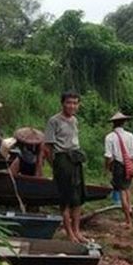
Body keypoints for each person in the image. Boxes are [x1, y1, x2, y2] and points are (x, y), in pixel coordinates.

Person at [44, 90, 88, 243]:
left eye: (75, 103)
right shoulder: (54, 121)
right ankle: (69, 232)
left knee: (78, 197)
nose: (72, 106)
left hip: (75, 159)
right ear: (62, 103)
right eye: (69, 102)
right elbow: (47, 147)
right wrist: (55, 165)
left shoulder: (75, 120)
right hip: (62, 159)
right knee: (66, 198)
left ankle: (77, 230)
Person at [104, 112, 133, 228]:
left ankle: (128, 220)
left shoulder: (110, 137)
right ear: (123, 123)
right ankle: (130, 207)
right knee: (127, 188)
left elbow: (109, 156)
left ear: (113, 124)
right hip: (129, 164)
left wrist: (107, 168)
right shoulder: (130, 136)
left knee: (121, 191)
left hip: (118, 166)